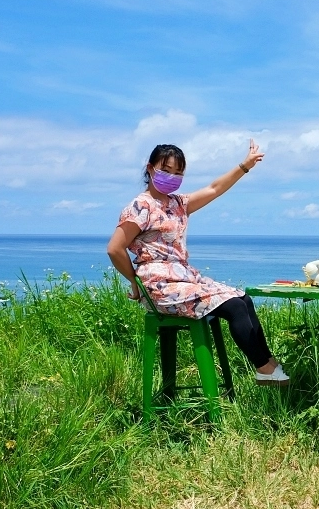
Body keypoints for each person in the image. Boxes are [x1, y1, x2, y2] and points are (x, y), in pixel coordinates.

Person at [107, 141, 289, 385]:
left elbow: (214, 189)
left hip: (184, 278)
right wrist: (134, 281)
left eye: (178, 173)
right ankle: (264, 368)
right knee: (234, 306)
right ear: (150, 169)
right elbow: (114, 248)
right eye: (166, 170)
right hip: (160, 285)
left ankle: (268, 362)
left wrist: (244, 166)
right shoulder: (141, 206)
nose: (172, 177)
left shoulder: (178, 204)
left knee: (244, 299)